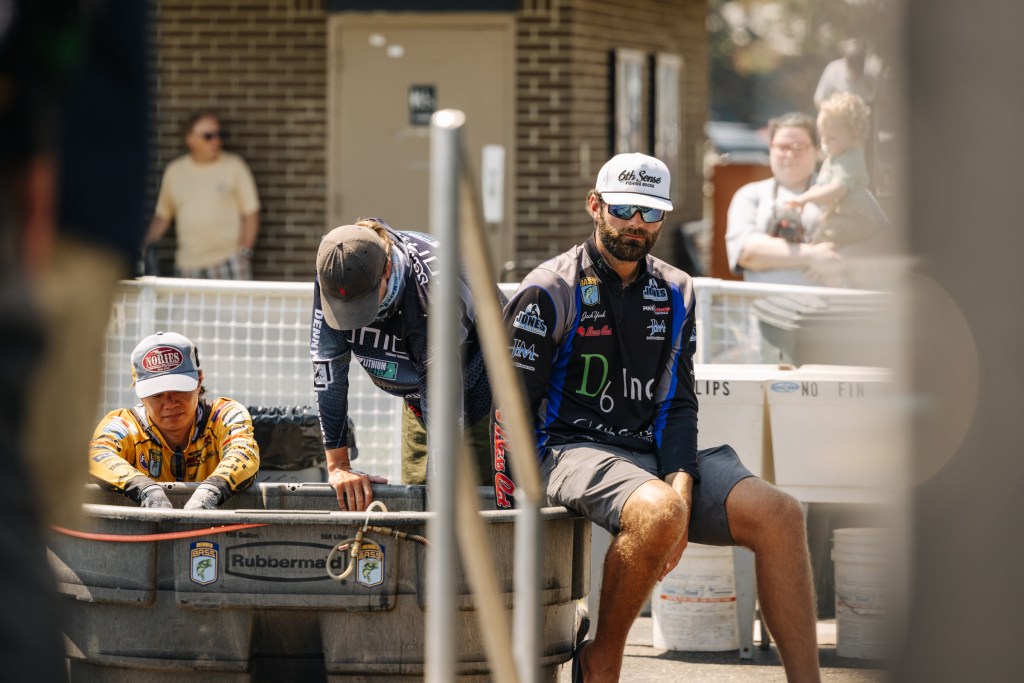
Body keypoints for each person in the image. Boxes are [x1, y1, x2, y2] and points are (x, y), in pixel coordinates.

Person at [499, 153, 821, 682]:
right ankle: (602, 659)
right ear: (594, 205)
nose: (637, 223)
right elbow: (508, 410)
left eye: (651, 212)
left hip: (649, 454)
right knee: (661, 510)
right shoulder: (548, 288)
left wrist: (682, 486)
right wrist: (510, 503)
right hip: (565, 450)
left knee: (780, 514)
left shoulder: (676, 289)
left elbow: (677, 402)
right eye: (623, 209)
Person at [310, 219, 495, 511]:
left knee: (474, 512)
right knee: (417, 507)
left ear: (386, 269)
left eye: (363, 302)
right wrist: (339, 467)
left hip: (484, 394)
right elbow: (328, 368)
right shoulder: (335, 269)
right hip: (418, 397)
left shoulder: (431, 297)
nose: (355, 318)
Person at [89, 332, 260, 509]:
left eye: (179, 389)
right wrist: (144, 488)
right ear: (140, 393)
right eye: (156, 394)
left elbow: (243, 451)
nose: (170, 403)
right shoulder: (123, 424)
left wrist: (212, 489)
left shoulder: (224, 414)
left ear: (198, 381)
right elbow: (96, 454)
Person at [725, 112, 844, 286]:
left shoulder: (841, 192)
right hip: (765, 304)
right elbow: (747, 254)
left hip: (829, 303)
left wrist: (841, 258)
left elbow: (878, 242)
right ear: (770, 149)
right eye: (782, 147)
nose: (789, 155)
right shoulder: (750, 195)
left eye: (798, 147)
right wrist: (812, 255)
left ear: (817, 151)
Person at [142, 112, 260, 279]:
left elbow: (251, 213)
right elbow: (163, 216)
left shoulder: (234, 166)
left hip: (229, 261)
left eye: (219, 135)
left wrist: (245, 252)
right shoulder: (175, 171)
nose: (216, 141)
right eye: (208, 136)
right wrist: (144, 243)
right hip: (188, 266)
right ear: (190, 139)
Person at [787, 93, 881, 253]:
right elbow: (823, 185)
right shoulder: (836, 156)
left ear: (854, 137)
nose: (824, 141)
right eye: (822, 135)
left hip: (856, 219)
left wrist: (806, 198)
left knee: (822, 240)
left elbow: (837, 189)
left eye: (831, 137)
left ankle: (821, 265)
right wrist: (806, 197)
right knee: (816, 235)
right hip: (840, 217)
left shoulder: (850, 159)